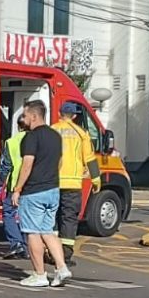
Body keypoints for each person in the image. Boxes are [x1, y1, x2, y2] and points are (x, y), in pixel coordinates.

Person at [11, 99, 71, 288]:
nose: (24, 118)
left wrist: (18, 189)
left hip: (34, 191)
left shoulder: (31, 137)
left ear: (34, 116)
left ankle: (39, 274)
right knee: (49, 231)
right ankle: (62, 268)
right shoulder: (56, 136)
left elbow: (27, 164)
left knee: (32, 233)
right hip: (53, 189)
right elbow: (59, 163)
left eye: (26, 115)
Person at [51, 101, 97, 265]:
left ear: (59, 113)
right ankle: (65, 255)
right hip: (72, 184)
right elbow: (89, 158)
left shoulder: (52, 130)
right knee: (69, 219)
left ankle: (51, 253)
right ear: (75, 116)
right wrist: (96, 179)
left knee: (52, 218)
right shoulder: (81, 133)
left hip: (52, 182)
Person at [0, 114, 29, 260]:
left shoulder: (11, 142)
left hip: (15, 184)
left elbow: (5, 166)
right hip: (33, 184)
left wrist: (0, 183)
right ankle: (28, 245)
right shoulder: (39, 140)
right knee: (28, 216)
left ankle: (17, 244)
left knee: (8, 213)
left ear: (18, 126)